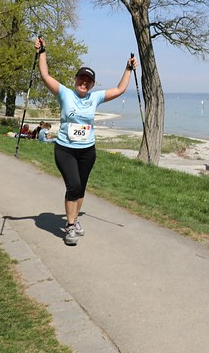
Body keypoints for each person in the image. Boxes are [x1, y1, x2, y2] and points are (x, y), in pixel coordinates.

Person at [34, 36, 134, 246]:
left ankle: (74, 219)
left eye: (88, 81)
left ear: (92, 84)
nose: (84, 82)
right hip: (65, 150)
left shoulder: (94, 97)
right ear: (75, 80)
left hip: (87, 151)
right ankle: (69, 227)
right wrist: (42, 52)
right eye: (81, 79)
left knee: (80, 189)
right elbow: (44, 75)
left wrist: (128, 68)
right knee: (73, 185)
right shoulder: (65, 94)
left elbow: (120, 89)